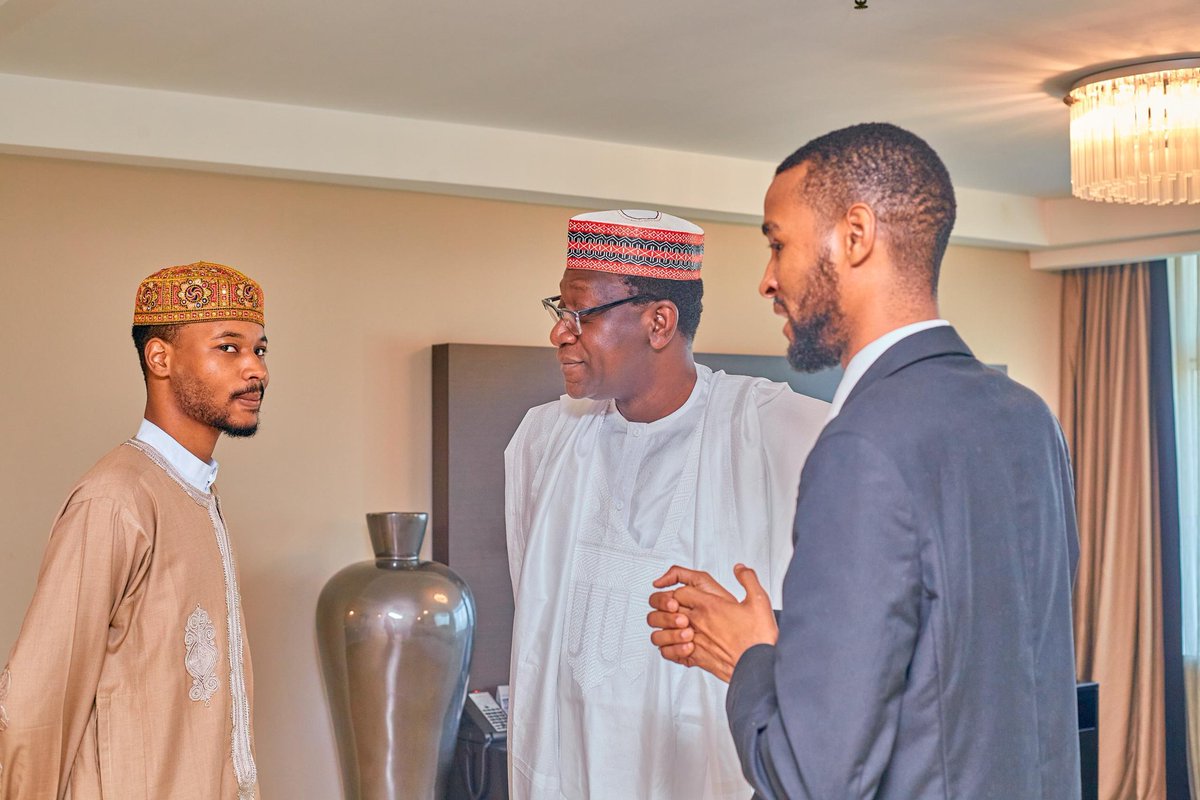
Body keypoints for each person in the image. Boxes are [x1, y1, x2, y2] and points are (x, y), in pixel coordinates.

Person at [647, 123, 1081, 799]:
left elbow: (811, 777)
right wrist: (785, 637)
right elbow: (960, 653)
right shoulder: (1027, 417)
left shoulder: (863, 445)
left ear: (855, 236)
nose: (767, 280)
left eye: (777, 243)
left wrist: (749, 660)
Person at [505, 209, 828, 799]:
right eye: (560, 310)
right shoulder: (544, 441)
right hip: (569, 775)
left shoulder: (773, 433)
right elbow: (536, 620)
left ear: (659, 322)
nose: (559, 332)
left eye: (581, 313)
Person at [0, 262, 269, 799]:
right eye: (228, 347)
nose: (255, 370)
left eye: (260, 350)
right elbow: (34, 704)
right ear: (160, 357)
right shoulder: (117, 499)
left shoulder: (192, 492)